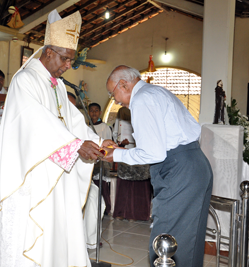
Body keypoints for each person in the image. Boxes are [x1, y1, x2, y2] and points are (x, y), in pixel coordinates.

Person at [0, 10, 113, 267]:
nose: (68, 65)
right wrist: (74, 146)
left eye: (71, 60)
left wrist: (98, 142)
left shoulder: (57, 84)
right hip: (31, 175)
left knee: (55, 235)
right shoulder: (25, 80)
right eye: (65, 58)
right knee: (31, 236)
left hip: (56, 171)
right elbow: (34, 122)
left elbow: (74, 122)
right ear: (48, 52)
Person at [102, 65, 213, 267]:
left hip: (178, 170)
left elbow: (154, 152)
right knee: (189, 241)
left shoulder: (142, 100)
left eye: (113, 93)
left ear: (123, 84)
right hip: (194, 164)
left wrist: (115, 154)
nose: (115, 100)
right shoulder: (156, 91)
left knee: (166, 240)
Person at [112, 107, 152, 221]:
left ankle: (137, 214)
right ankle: (122, 212)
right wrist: (120, 142)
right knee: (124, 185)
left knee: (139, 186)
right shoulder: (121, 116)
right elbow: (116, 134)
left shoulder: (144, 114)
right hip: (126, 153)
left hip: (140, 155)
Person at [88, 103, 112, 215]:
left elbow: (108, 144)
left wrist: (99, 156)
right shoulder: (85, 127)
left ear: (100, 112)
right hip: (88, 160)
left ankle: (105, 209)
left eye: (96, 110)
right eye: (91, 110)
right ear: (88, 113)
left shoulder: (105, 127)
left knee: (102, 185)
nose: (93, 113)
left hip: (101, 160)